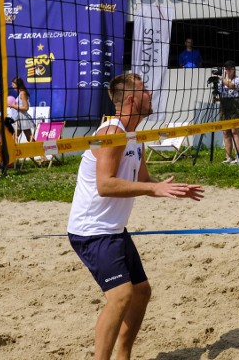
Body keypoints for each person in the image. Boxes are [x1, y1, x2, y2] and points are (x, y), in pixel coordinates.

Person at [67, 72, 204, 360]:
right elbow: (105, 185)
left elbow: (142, 180)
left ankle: (122, 356)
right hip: (92, 231)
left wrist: (168, 188)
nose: (150, 94)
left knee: (141, 292)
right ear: (131, 98)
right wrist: (151, 187)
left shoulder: (134, 137)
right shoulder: (112, 133)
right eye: (145, 90)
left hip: (113, 229)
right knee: (120, 296)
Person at [218, 60, 239, 164]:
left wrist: (221, 79)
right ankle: (228, 157)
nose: (227, 70)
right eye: (226, 68)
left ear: (234, 69)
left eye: (229, 68)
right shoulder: (221, 81)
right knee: (225, 133)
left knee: (235, 132)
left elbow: (232, 86)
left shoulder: (238, 79)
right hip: (224, 105)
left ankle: (238, 157)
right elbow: (220, 92)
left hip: (235, 106)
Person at [7, 76, 36, 142]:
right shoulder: (21, 93)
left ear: (18, 85)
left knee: (28, 138)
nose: (12, 86)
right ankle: (39, 149)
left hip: (22, 118)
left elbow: (26, 107)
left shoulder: (22, 93)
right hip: (19, 117)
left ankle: (41, 149)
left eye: (13, 85)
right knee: (27, 138)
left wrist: (13, 106)